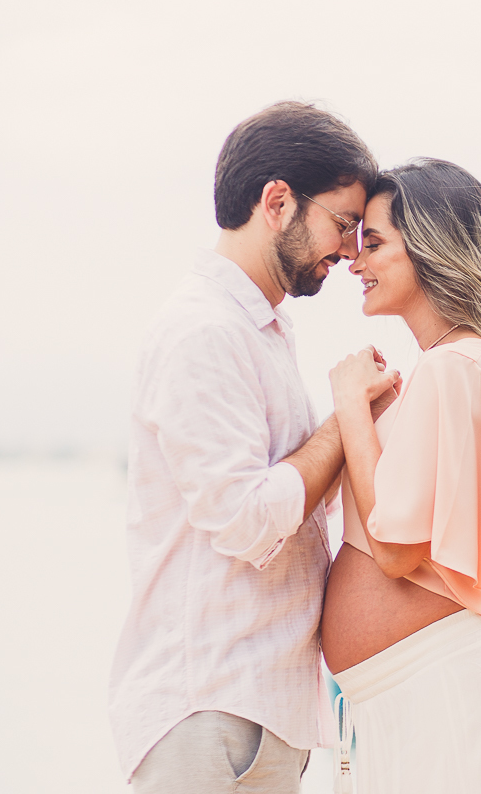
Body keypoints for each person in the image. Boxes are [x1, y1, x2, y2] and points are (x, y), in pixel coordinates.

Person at [109, 101, 383, 793]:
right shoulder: (205, 332)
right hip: (208, 708)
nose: (350, 250)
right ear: (278, 200)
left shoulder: (258, 331)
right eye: (343, 224)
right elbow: (247, 518)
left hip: (260, 713)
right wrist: (343, 421)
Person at [322, 158, 481, 793]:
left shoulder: (454, 366)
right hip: (431, 692)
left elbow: (396, 549)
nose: (355, 262)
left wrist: (350, 406)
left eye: (373, 243)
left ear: (432, 249)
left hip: (450, 691)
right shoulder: (459, 365)